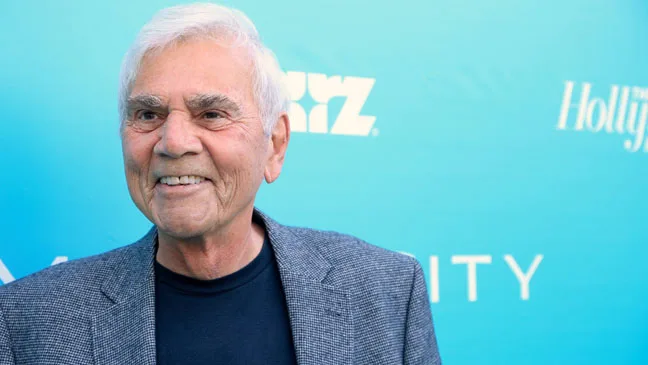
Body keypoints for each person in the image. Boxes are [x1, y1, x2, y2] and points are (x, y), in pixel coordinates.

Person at [0, 3, 440, 364]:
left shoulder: (387, 294)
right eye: (148, 114)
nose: (172, 142)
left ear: (275, 144)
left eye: (211, 114)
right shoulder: (25, 322)